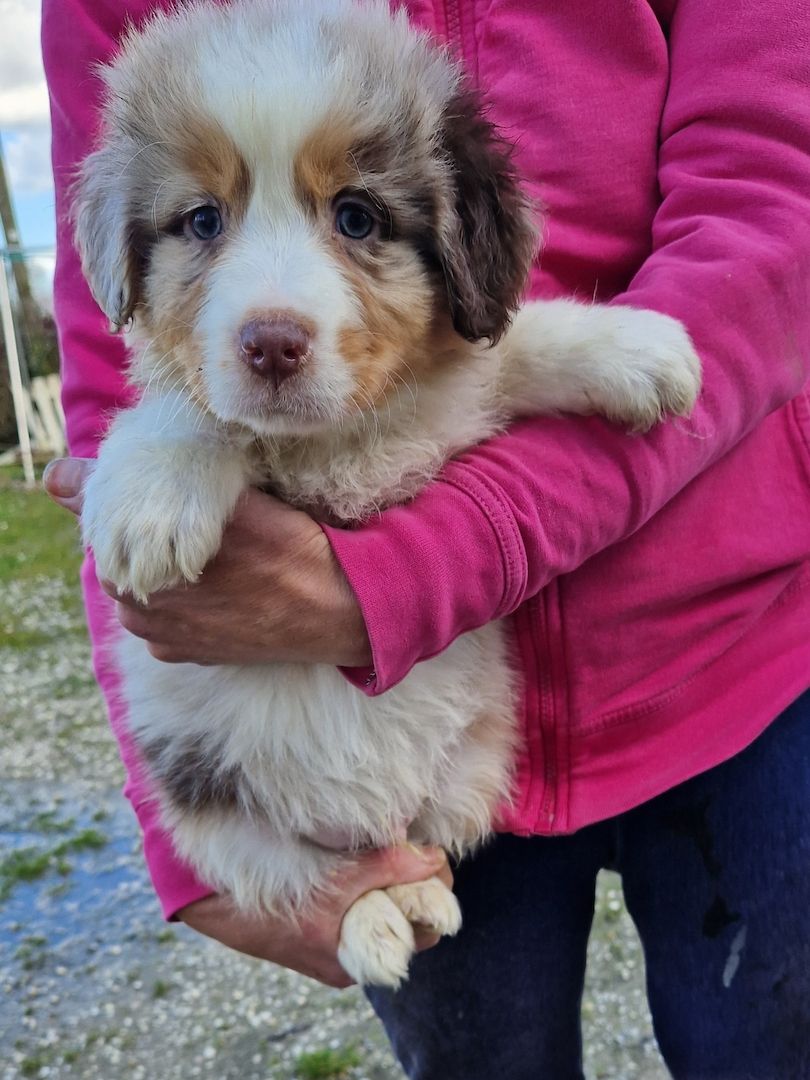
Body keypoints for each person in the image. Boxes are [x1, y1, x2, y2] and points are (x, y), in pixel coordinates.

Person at [41, 0, 810, 1076]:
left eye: (354, 218)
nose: (272, 312)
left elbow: (775, 203)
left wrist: (402, 572)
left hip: (733, 652)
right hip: (388, 800)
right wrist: (205, 850)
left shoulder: (464, 258)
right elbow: (107, 411)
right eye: (203, 222)